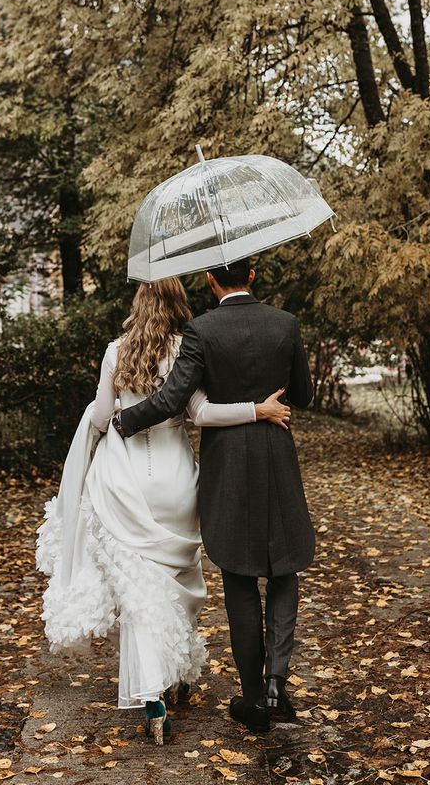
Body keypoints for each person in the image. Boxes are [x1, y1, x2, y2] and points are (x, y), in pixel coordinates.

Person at [35, 275, 290, 745]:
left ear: (138, 302)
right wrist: (257, 410)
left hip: (124, 480)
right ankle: (175, 676)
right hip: (175, 480)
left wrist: (107, 406)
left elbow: (98, 419)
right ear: (179, 305)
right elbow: (203, 413)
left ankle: (153, 696)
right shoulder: (186, 352)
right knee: (176, 581)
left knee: (138, 589)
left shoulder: (116, 352)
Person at [115, 258, 315, 733]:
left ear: (210, 280)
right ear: (254, 274)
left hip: (228, 468)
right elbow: (303, 395)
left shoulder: (201, 332)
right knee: (284, 567)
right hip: (276, 458)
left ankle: (252, 698)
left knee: (240, 575)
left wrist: (124, 422)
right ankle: (275, 684)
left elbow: (173, 400)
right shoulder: (285, 324)